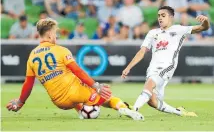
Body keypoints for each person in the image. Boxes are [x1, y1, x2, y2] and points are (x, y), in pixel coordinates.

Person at [6, 18, 143, 121]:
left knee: (73, 86)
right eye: (54, 33)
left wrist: (20, 102)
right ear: (48, 34)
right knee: (106, 95)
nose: (56, 36)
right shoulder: (60, 50)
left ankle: (81, 112)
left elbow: (28, 84)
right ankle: (124, 108)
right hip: (74, 93)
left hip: (59, 102)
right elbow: (78, 71)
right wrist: (96, 86)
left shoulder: (32, 56)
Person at [121, 6, 210, 117]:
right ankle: (180, 113)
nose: (160, 18)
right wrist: (128, 67)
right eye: (158, 16)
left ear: (171, 17)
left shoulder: (179, 29)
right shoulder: (152, 33)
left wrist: (206, 21)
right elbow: (142, 52)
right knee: (152, 101)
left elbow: (203, 28)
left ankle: (134, 110)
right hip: (152, 68)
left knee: (149, 86)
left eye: (163, 15)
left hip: (167, 66)